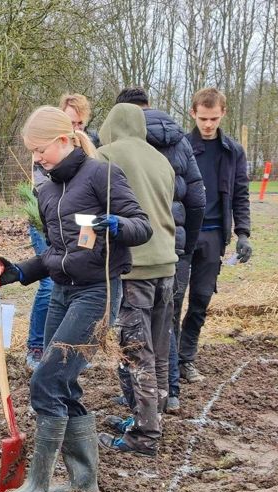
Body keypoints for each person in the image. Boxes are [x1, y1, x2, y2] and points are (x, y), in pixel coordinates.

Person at [0, 107, 152, 492]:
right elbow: (55, 250)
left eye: (40, 149)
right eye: (31, 152)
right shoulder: (46, 190)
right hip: (61, 292)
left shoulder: (101, 174)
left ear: (64, 140)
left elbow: (142, 224)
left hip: (97, 293)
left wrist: (117, 224)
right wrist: (20, 271)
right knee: (62, 382)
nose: (36, 158)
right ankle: (84, 481)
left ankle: (39, 483)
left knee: (46, 381)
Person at [113, 86, 206, 414]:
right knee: (166, 324)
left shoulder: (119, 146)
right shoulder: (180, 140)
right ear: (149, 106)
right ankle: (171, 394)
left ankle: (140, 404)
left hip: (136, 254)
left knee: (134, 332)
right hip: (172, 249)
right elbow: (197, 199)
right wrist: (187, 245)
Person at [92, 103, 176, 457]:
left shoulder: (105, 155)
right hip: (166, 265)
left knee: (134, 353)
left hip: (135, 268)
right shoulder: (162, 159)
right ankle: (149, 417)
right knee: (156, 352)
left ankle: (145, 435)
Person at [179, 88, 251, 383]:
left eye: (214, 118)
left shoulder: (232, 151)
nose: (208, 124)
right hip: (182, 235)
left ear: (223, 114)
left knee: (200, 299)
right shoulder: (180, 147)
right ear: (193, 113)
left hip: (212, 236)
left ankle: (186, 359)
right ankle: (168, 363)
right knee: (171, 301)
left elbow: (240, 194)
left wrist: (243, 233)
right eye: (203, 118)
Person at [20, 168, 52, 371]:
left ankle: (67, 348)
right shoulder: (46, 148)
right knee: (50, 283)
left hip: (73, 219)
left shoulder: (90, 143)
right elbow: (41, 181)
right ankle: (36, 346)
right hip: (44, 214)